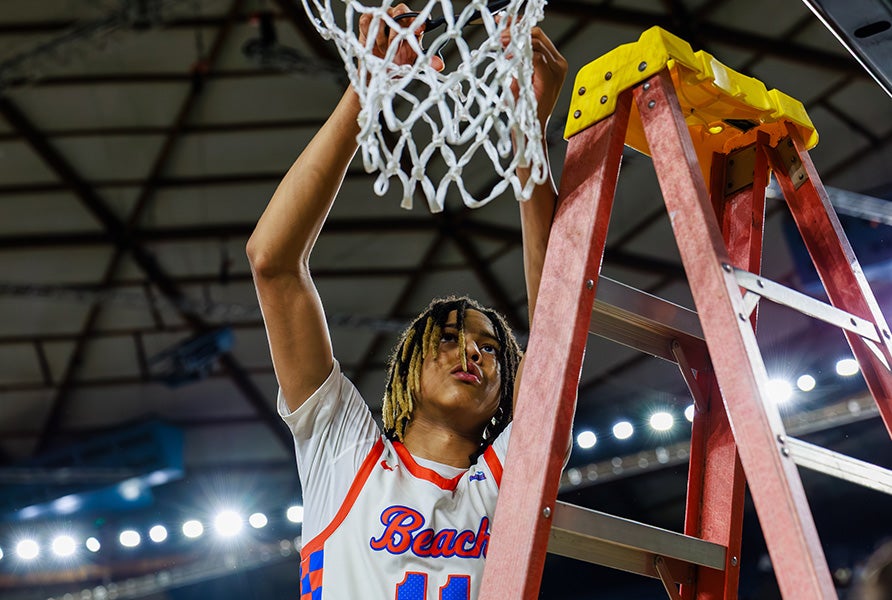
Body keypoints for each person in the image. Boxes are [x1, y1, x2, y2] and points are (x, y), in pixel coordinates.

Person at [247, 5, 568, 599]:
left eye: (490, 346)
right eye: (447, 337)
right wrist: (364, 91)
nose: (471, 350)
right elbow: (273, 262)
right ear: (406, 367)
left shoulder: (504, 478)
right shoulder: (343, 452)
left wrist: (528, 132)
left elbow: (560, 328)